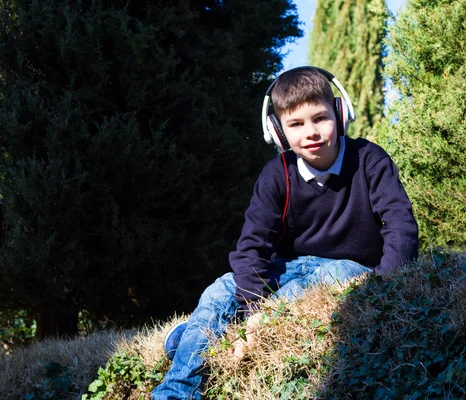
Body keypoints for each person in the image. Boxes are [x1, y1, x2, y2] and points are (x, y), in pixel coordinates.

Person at [151, 66, 419, 399]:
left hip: (350, 267)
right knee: (222, 288)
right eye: (296, 124)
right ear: (278, 131)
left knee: (333, 272)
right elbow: (252, 248)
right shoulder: (275, 175)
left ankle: (200, 335)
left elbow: (400, 226)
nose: (311, 132)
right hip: (290, 266)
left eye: (320, 118)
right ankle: (176, 390)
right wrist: (251, 305)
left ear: (339, 112)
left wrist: (385, 286)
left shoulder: (370, 160)